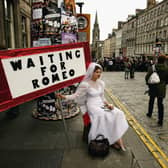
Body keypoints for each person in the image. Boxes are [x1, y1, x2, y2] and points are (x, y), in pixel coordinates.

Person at [57, 62, 129, 151]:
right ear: (91, 72)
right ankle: (113, 140)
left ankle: (115, 139)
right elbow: (75, 96)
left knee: (117, 113)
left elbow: (102, 97)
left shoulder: (101, 83)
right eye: (97, 72)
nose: (99, 74)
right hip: (92, 106)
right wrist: (64, 97)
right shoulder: (85, 84)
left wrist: (108, 104)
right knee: (103, 115)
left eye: (100, 72)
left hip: (101, 104)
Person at [145, 56, 168, 126]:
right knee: (160, 103)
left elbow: (147, 77)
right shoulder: (166, 68)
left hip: (153, 87)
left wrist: (148, 84)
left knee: (151, 100)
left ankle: (149, 113)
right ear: (164, 61)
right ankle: (160, 120)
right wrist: (164, 83)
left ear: (158, 60)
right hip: (161, 88)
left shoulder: (153, 67)